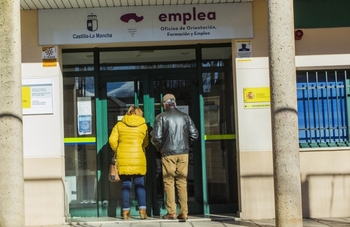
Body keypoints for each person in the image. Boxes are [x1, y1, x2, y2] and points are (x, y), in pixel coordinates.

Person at [150, 94, 199, 221]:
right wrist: (185, 145)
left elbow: (156, 137)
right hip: (183, 152)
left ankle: (171, 211)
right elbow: (194, 134)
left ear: (164, 104)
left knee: (169, 181)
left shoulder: (161, 117)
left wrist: (161, 148)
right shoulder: (185, 117)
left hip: (168, 153)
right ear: (175, 103)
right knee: (182, 181)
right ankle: (184, 212)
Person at [108, 106, 149, 220]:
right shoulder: (143, 126)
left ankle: (125, 212)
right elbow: (146, 142)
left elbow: (111, 140)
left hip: (123, 158)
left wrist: (117, 149)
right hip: (138, 157)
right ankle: (142, 211)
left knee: (125, 185)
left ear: (128, 112)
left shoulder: (119, 125)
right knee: (140, 184)